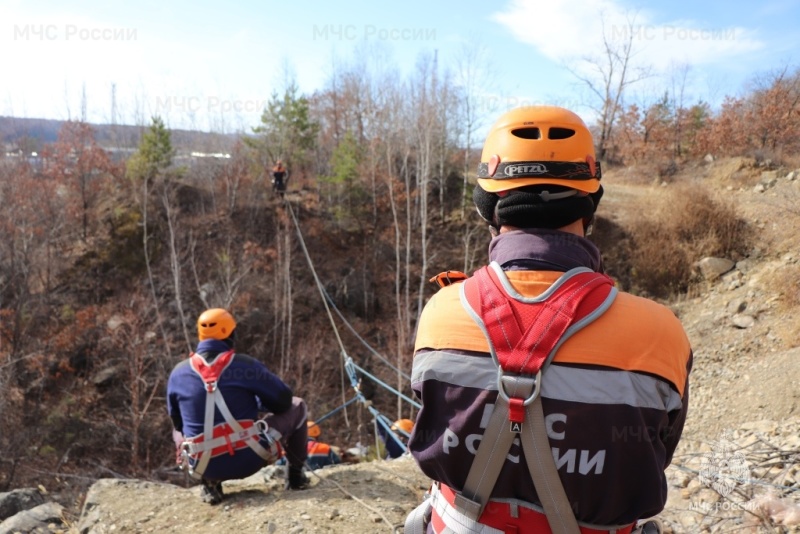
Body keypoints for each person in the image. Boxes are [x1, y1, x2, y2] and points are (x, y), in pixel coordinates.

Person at [406, 106, 692, 533]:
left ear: (488, 206)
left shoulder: (441, 313)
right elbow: (656, 451)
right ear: (590, 202)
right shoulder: (659, 332)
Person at [167, 308, 310, 505]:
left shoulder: (178, 373)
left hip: (204, 466)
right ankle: (295, 477)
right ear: (231, 334)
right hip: (250, 459)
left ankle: (210, 484)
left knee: (178, 429)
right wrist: (256, 403)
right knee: (298, 405)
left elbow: (178, 422)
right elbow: (284, 401)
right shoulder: (245, 366)